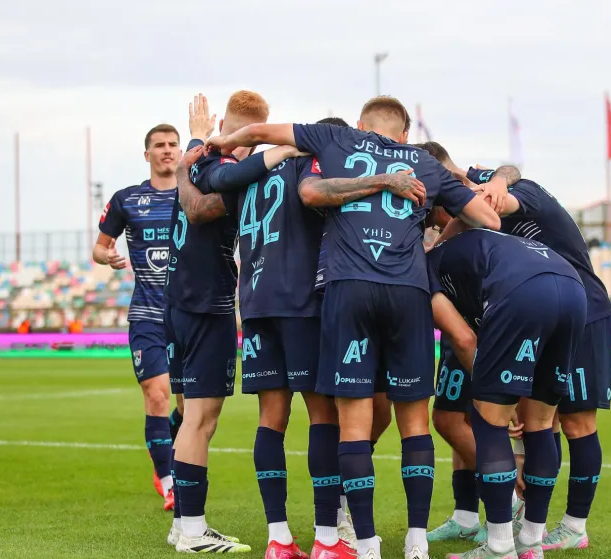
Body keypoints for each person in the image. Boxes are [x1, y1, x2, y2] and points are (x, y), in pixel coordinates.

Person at [207, 95, 504, 559]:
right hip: (389, 292)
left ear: (362, 125)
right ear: (404, 135)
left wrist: (218, 139)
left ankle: (340, 540)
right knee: (405, 421)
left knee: (331, 419)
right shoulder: (422, 165)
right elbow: (488, 217)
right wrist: (455, 199)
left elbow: (253, 149)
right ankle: (396, 540)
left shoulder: (333, 142)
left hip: (308, 294)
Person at [166, 91, 314, 554]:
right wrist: (283, 150)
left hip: (179, 300)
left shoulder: (199, 157)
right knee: (200, 419)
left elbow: (194, 189)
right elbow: (201, 207)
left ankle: (182, 524)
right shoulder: (225, 169)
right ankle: (191, 531)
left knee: (193, 416)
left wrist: (193, 149)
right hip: (205, 304)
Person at [457, 171, 611, 552]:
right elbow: (468, 179)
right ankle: (530, 528)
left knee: (578, 421)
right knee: (535, 420)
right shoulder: (485, 214)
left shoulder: (527, 195)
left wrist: (496, 184)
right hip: (542, 314)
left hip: (585, 314)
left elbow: (510, 177)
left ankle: (575, 525)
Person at [428, 227, 586, 559]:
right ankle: (531, 543)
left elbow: (465, 340)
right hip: (572, 288)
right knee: (541, 423)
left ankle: (500, 545)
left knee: (489, 421)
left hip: (523, 292)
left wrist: (495, 392)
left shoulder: (422, 266)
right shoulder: (479, 243)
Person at [415, 142, 523, 545]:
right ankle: (464, 515)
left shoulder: (469, 187)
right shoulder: (444, 191)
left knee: (448, 418)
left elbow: (513, 171)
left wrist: (495, 178)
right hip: (462, 314)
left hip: (481, 322)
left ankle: (509, 498)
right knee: (462, 419)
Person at [94, 122, 189, 510]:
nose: (167, 150)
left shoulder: (194, 195)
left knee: (187, 408)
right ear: (146, 153)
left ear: (180, 151)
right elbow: (100, 247)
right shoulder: (127, 199)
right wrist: (109, 258)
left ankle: (162, 452)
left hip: (189, 317)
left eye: (172, 145)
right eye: (159, 146)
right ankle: (168, 482)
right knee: (158, 394)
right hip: (147, 315)